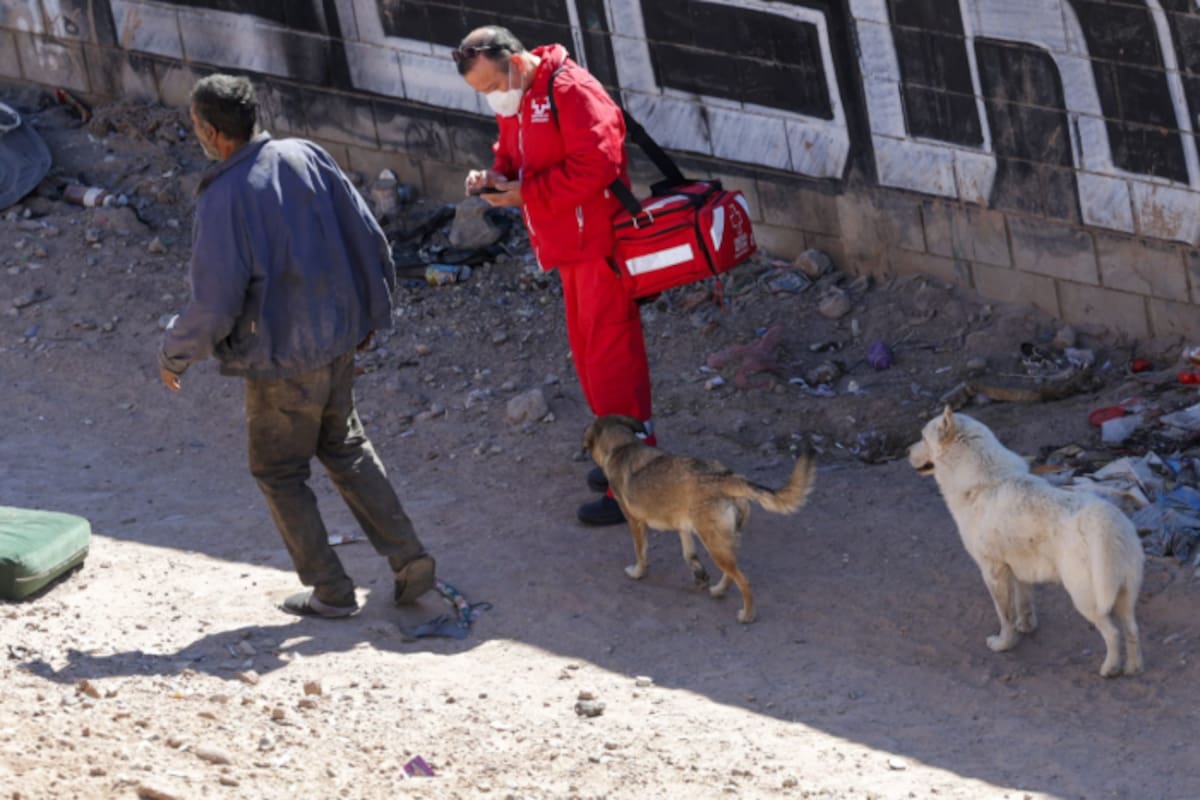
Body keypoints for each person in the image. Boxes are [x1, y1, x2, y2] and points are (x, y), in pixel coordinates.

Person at [158, 74, 436, 618]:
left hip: (281, 359)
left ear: (212, 132)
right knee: (344, 446)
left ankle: (331, 591)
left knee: (279, 472)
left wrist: (174, 353)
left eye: (195, 124)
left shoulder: (225, 196)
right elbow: (368, 237)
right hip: (337, 339)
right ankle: (409, 557)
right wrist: (368, 315)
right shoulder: (306, 155)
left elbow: (215, 304)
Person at [454, 25, 656, 526]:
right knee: (592, 360)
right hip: (572, 250)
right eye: (481, 91)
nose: (491, 98)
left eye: (490, 86)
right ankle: (621, 460)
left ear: (515, 63)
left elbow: (599, 165)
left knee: (611, 364)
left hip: (599, 246)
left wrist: (527, 193)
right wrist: (495, 178)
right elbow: (513, 155)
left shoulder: (571, 89)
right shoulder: (520, 96)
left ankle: (634, 483)